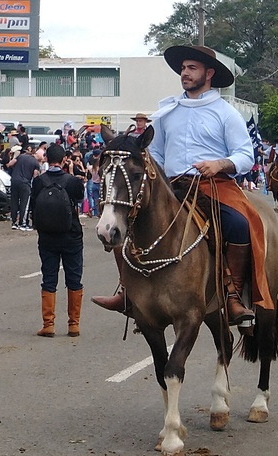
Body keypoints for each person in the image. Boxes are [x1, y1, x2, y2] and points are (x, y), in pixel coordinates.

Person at [94, 45, 259, 326]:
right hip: (169, 186)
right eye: (183, 68)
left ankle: (232, 296)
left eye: (191, 68)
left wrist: (219, 164)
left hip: (212, 185)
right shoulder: (166, 112)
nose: (185, 73)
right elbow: (154, 155)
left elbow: (246, 155)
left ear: (209, 73)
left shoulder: (226, 113)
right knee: (126, 222)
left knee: (239, 225)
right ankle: (127, 290)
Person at [30, 143, 85, 337]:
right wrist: (71, 172)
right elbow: (79, 199)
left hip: (47, 237)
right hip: (71, 236)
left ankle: (48, 324)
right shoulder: (73, 182)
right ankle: (74, 324)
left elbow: (33, 206)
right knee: (74, 279)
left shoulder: (39, 182)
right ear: (64, 160)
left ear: (45, 158)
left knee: (49, 278)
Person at [7, 145, 37, 230]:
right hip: (25, 183)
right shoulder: (34, 162)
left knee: (14, 201)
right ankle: (22, 223)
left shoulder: (20, 157)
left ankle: (14, 222)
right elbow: (35, 176)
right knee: (24, 203)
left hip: (14, 181)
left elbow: (10, 164)